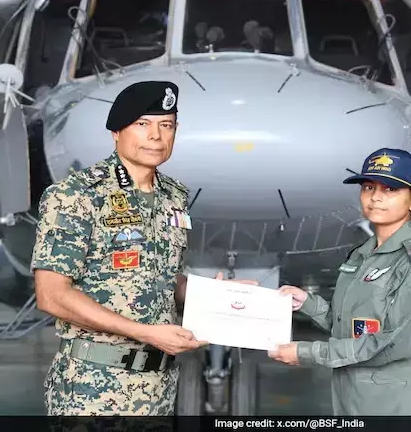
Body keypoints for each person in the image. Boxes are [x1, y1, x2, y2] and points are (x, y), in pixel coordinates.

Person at [31, 80, 256, 417]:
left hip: (157, 388)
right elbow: (51, 295)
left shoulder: (174, 197)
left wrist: (213, 295)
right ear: (116, 132)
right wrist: (145, 333)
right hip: (92, 388)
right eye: (142, 124)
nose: (156, 136)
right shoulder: (75, 195)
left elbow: (163, 280)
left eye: (166, 125)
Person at [268, 147, 411, 416]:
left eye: (390, 189)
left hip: (399, 405)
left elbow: (395, 345)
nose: (376, 197)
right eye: (369, 187)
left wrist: (307, 352)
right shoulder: (362, 255)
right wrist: (307, 304)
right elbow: (352, 326)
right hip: (352, 398)